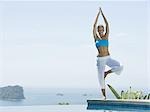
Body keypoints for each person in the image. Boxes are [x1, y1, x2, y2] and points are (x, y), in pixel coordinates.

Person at [93, 7, 123, 99]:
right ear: (98, 31)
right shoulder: (96, 38)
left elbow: (107, 24)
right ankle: (104, 96)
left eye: (102, 29)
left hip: (108, 58)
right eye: (100, 30)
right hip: (100, 59)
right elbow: (94, 26)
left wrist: (102, 14)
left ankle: (107, 73)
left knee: (120, 66)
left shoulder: (106, 36)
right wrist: (98, 15)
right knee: (100, 79)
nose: (101, 31)